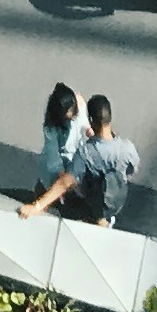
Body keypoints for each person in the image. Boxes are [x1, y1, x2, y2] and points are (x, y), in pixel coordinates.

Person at [22, 95, 137, 223]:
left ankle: (94, 217)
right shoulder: (128, 148)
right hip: (115, 204)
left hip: (91, 205)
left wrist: (36, 206)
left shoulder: (87, 152)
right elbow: (132, 170)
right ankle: (104, 219)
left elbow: (64, 183)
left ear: (91, 120)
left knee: (48, 187)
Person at [28, 85, 87, 205]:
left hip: (74, 161)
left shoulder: (78, 103)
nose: (72, 115)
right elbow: (54, 157)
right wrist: (63, 182)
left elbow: (84, 121)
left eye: (72, 110)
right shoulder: (51, 128)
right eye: (68, 113)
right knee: (47, 192)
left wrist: (89, 129)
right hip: (57, 166)